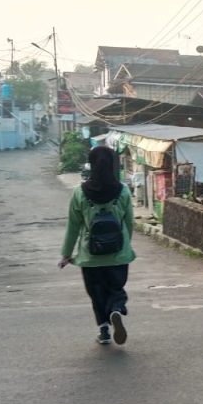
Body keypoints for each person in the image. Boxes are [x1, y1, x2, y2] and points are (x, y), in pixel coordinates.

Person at [59, 146, 136, 346]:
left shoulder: (79, 193)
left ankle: (104, 330)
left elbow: (73, 226)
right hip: (118, 254)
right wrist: (126, 246)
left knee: (97, 293)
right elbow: (129, 223)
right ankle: (116, 310)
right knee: (116, 288)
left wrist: (66, 254)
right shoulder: (124, 191)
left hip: (90, 256)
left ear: (92, 165)